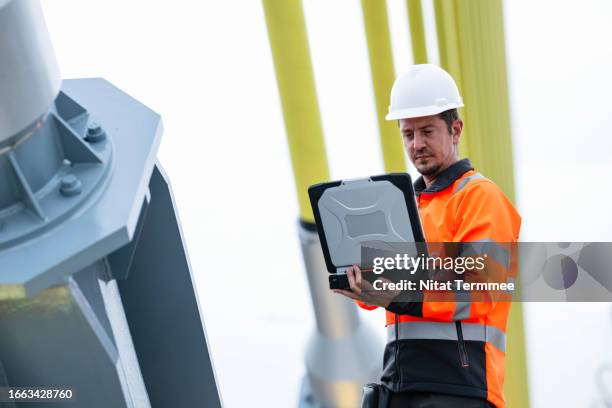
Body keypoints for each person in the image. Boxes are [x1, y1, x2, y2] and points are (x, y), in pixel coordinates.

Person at [332, 64, 521, 408]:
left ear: (455, 130)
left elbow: (479, 289)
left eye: (428, 131)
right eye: (408, 134)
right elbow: (388, 291)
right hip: (401, 386)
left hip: (462, 387)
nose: (417, 144)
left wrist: (399, 293)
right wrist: (360, 282)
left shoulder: (479, 197)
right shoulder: (404, 206)